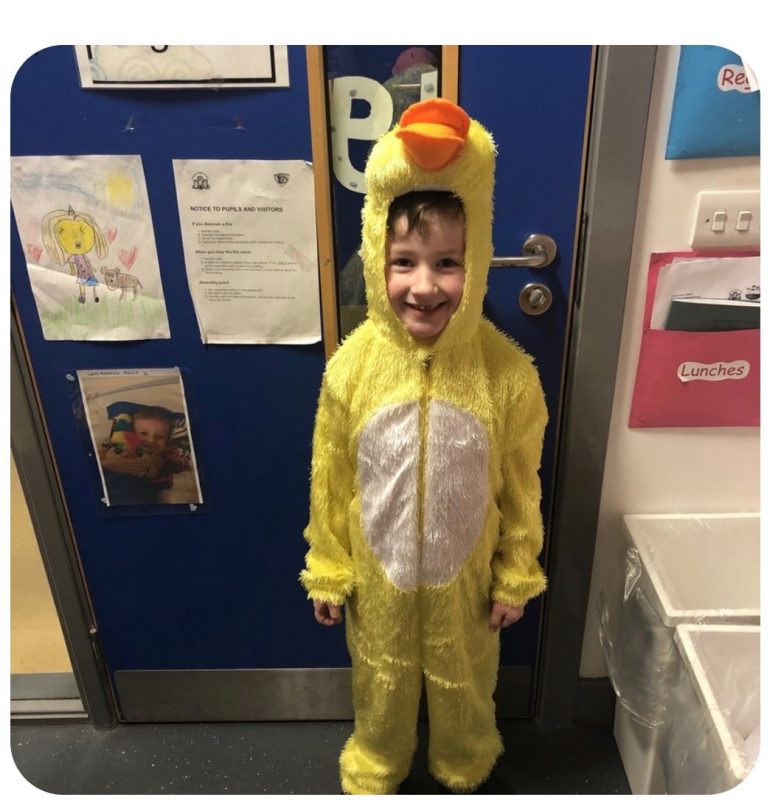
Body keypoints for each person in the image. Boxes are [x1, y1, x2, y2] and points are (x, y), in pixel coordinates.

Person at [300, 98, 548, 794]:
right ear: (375, 260)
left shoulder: (506, 374)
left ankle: (465, 759)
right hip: (375, 579)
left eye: (447, 262)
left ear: (478, 263)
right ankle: (377, 760)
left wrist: (515, 573)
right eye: (403, 262)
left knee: (465, 677)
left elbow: (521, 485)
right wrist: (328, 567)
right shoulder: (351, 368)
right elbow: (329, 477)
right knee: (378, 678)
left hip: (466, 584)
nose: (424, 285)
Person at [99, 406, 191, 505]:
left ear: (167, 439)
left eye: (160, 436)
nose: (151, 440)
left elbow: (176, 469)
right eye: (143, 433)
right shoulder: (119, 444)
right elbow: (98, 457)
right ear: (131, 433)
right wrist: (107, 464)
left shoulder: (167, 456)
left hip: (138, 494)